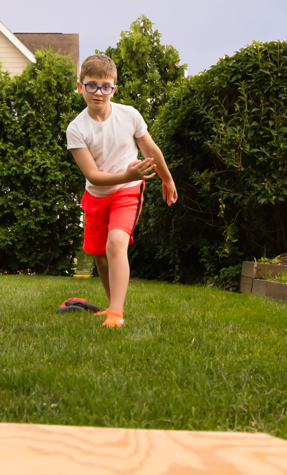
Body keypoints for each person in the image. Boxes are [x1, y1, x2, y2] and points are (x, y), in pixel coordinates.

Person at [66, 54, 177, 328]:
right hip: (96, 196)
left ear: (114, 88)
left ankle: (117, 312)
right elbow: (92, 175)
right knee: (100, 257)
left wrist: (167, 178)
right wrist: (127, 172)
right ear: (80, 86)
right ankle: (111, 305)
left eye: (106, 86)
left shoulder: (129, 115)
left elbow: (151, 150)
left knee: (115, 243)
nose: (99, 92)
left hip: (128, 190)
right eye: (91, 85)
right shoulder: (76, 129)